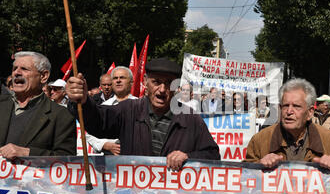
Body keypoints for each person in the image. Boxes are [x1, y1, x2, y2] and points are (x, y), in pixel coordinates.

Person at [66, 58, 220, 170]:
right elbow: (99, 121)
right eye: (156, 82)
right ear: (145, 82)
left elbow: (212, 155)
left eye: (168, 83)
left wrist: (188, 157)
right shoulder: (128, 110)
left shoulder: (190, 118)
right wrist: (83, 101)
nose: (162, 89)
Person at [245, 78, 330, 170]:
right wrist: (259, 165)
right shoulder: (260, 140)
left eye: (296, 106)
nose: (289, 112)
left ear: (310, 112)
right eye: (285, 106)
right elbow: (243, 176)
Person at [0, 51, 76, 160]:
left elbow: (67, 159)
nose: (16, 72)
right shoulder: (2, 104)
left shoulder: (61, 115)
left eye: (24, 69)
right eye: (14, 68)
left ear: (44, 76)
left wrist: (27, 153)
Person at [85, 66, 138, 155]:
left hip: (134, 160)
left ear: (131, 83)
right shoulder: (104, 107)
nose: (118, 80)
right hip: (108, 161)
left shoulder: (140, 106)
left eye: (122, 78)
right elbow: (89, 134)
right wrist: (105, 145)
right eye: (115, 78)